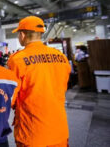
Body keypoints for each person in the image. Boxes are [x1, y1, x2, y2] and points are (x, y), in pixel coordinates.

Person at [8, 16, 71, 147]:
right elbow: (62, 87)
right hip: (59, 130)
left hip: (32, 132)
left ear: (22, 34)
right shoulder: (61, 57)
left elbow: (11, 97)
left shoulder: (17, 60)